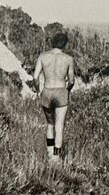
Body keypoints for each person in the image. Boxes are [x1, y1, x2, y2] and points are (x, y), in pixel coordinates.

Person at [33, 30, 78, 161]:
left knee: (50, 124)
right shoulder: (68, 59)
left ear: (53, 42)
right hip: (61, 91)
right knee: (59, 125)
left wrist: (38, 91)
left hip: (47, 91)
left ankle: (49, 153)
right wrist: (67, 91)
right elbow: (71, 81)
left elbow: (35, 77)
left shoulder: (43, 56)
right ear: (64, 44)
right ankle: (56, 158)